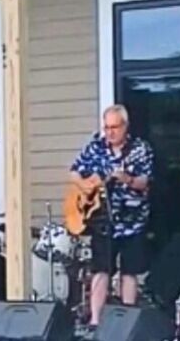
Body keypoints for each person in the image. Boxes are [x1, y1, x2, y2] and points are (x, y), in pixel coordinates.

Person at [69, 104, 154, 330]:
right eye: (106, 127)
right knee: (100, 269)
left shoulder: (140, 149)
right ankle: (95, 320)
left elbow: (145, 182)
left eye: (114, 127)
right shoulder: (95, 146)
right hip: (102, 220)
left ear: (125, 126)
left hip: (132, 221)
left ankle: (127, 320)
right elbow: (74, 171)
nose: (110, 132)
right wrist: (85, 186)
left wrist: (127, 179)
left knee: (129, 271)